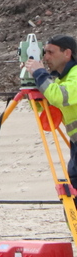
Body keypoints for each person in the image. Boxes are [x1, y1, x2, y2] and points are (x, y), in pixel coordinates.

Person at [24, 35, 77, 181]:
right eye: (44, 53)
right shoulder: (61, 79)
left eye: (51, 52)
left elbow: (58, 96)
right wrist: (31, 82)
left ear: (67, 53)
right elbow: (41, 106)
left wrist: (40, 73)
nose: (46, 58)